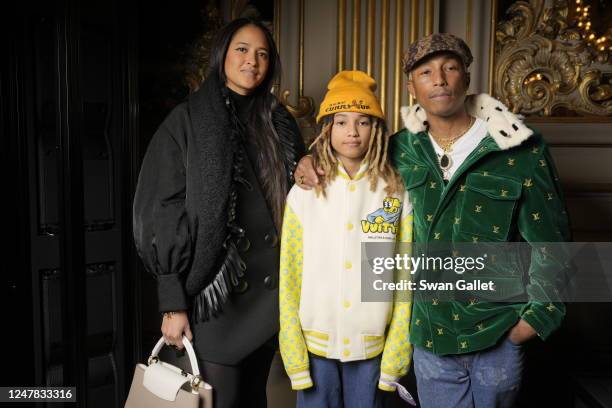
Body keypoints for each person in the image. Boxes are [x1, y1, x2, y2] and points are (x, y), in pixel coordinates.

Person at [295, 33, 571, 408]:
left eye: (450, 68)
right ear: (411, 86)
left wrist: (536, 320)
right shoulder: (397, 149)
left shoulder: (518, 148)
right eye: (426, 72)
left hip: (499, 331)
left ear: (466, 77)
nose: (439, 79)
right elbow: (348, 162)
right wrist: (308, 162)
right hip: (429, 335)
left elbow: (552, 241)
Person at [133, 18, 305, 408]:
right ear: (223, 55)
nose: (252, 61)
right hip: (215, 298)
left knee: (253, 401)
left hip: (269, 299)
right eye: (242, 50)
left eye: (262, 53)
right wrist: (172, 301)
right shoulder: (188, 119)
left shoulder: (279, 121)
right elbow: (160, 210)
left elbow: (302, 198)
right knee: (216, 401)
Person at [279, 71, 413, 408]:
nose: (352, 132)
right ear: (327, 129)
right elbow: (289, 276)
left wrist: (396, 353)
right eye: (341, 122)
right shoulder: (304, 192)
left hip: (372, 346)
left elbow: (404, 279)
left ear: (376, 130)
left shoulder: (395, 193)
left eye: (363, 122)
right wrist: (293, 350)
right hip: (314, 348)